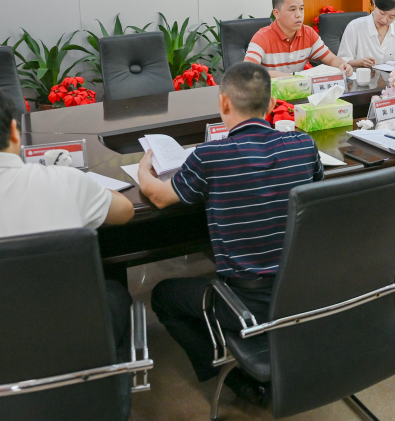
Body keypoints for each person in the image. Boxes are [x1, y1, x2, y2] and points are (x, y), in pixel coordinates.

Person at [138, 62, 324, 406]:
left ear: (223, 103)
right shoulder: (303, 144)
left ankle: (238, 379)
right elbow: (314, 185)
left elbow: (159, 196)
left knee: (163, 296)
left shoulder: (209, 156)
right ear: (271, 104)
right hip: (305, 290)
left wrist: (143, 169)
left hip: (247, 304)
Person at [0, 82, 136, 358]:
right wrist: (77, 181)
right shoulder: (64, 181)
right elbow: (125, 211)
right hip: (66, 344)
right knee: (115, 293)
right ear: (14, 131)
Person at [244, 0, 353, 77]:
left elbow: (331, 59)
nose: (299, 15)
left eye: (301, 9)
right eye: (292, 10)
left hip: (299, 91)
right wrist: (291, 77)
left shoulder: (308, 33)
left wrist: (342, 65)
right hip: (270, 92)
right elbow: (248, 71)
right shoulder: (262, 37)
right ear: (276, 13)